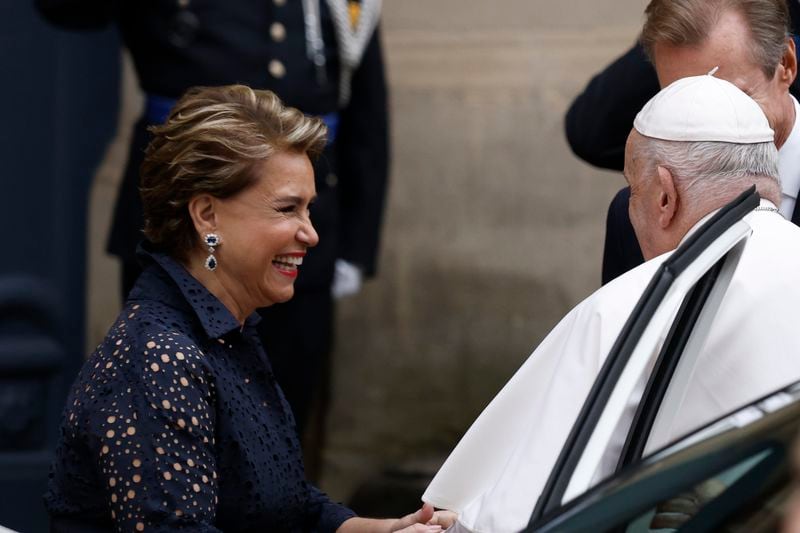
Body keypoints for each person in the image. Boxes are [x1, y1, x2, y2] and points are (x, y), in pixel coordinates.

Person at [43, 85, 450, 533]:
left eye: (309, 210)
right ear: (207, 216)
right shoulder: (158, 358)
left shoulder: (228, 332)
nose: (310, 234)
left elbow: (287, 506)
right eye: (287, 209)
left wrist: (389, 530)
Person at [422, 74, 800, 533]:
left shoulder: (632, 303)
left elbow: (520, 516)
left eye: (632, 190)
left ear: (664, 195)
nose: (631, 207)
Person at [34, 0, 389, 449]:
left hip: (301, 230)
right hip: (181, 223)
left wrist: (357, 242)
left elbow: (364, 106)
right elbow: (67, 11)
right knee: (171, 418)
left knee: (285, 420)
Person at [564, 0, 800, 284]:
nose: (710, 130)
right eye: (681, 102)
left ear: (786, 65)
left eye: (734, 98)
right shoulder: (636, 219)